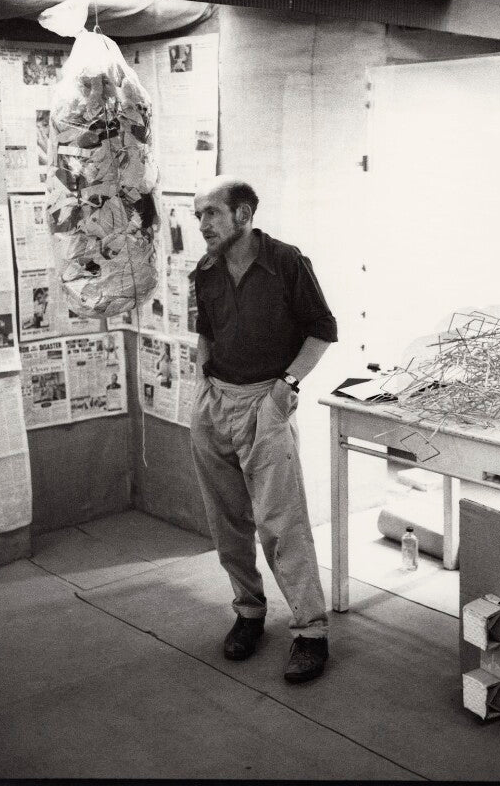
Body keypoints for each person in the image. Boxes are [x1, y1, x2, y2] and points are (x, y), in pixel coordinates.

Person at [190, 176, 337, 683]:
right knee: (227, 521)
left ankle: (311, 632)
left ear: (244, 214)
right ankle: (249, 612)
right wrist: (204, 387)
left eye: (211, 212)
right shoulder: (205, 272)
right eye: (198, 215)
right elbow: (205, 333)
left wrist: (285, 390)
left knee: (281, 521)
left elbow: (322, 331)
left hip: (265, 404)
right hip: (214, 405)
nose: (203, 224)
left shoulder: (286, 262)